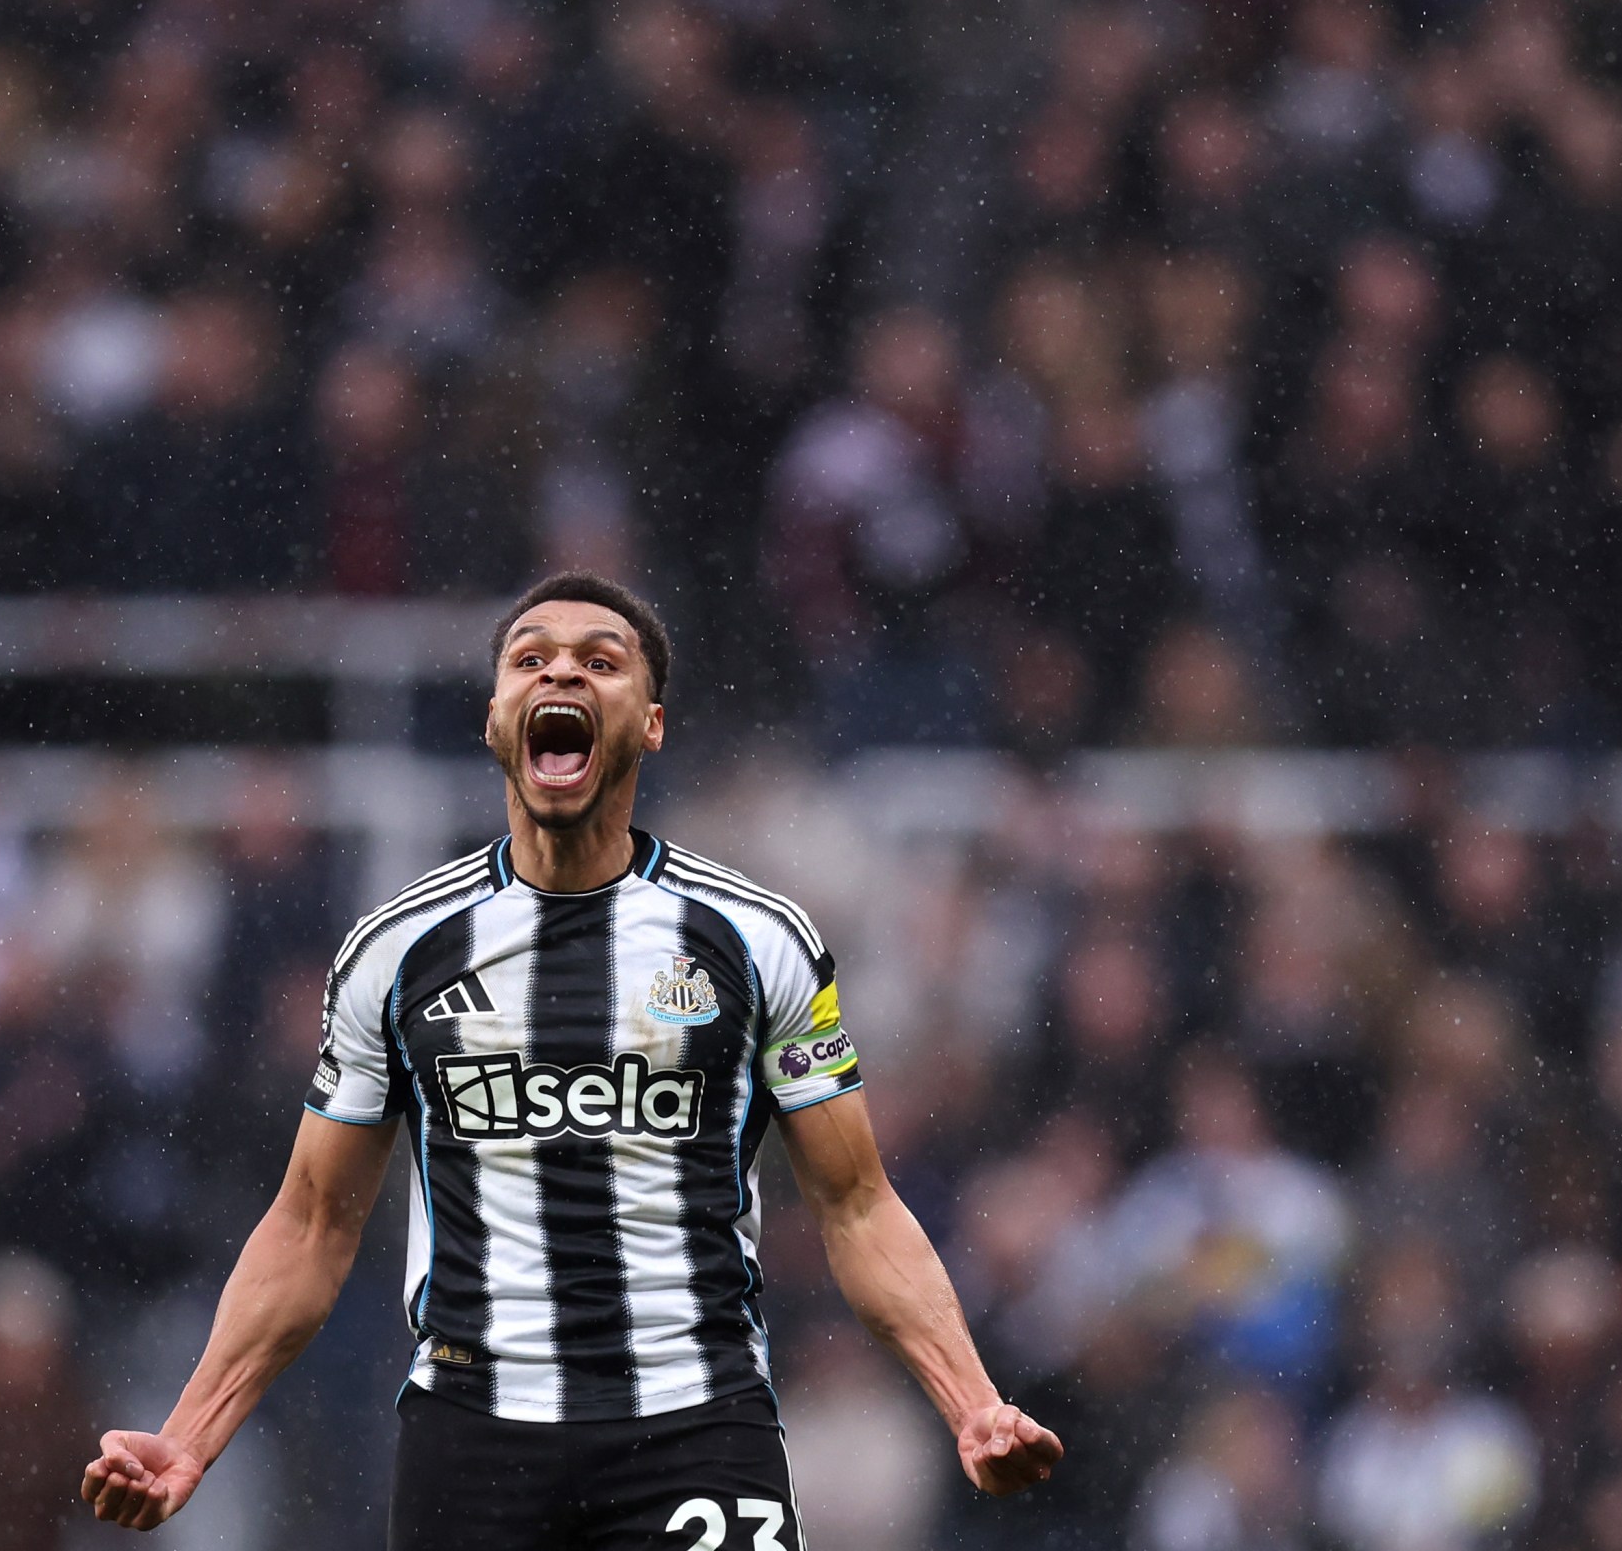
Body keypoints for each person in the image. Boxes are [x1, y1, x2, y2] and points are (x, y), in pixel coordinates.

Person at [81, 571, 1062, 1546]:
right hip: (475, 1440)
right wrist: (191, 1433)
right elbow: (311, 1224)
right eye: (531, 659)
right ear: (496, 721)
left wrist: (969, 1398)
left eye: (602, 661)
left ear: (651, 724)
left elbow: (856, 1202)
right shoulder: (398, 949)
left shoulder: (760, 941)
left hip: (696, 1426)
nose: (565, 673)